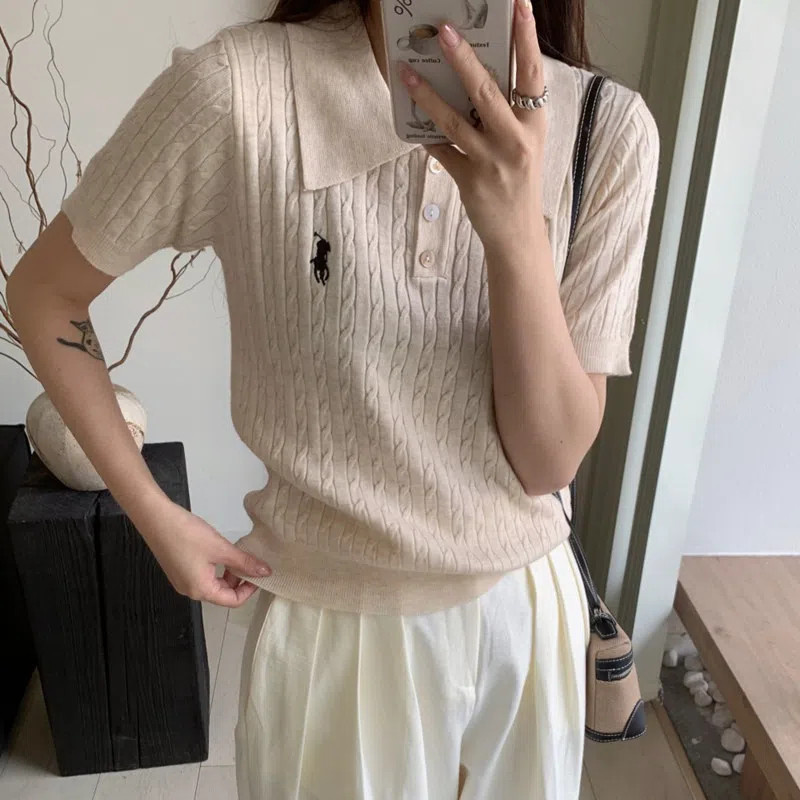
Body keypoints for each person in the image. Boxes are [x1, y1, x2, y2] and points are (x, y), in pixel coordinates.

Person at [7, 0, 659, 795]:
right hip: (336, 628)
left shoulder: (606, 128)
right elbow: (45, 293)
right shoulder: (240, 92)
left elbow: (547, 460)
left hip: (525, 618)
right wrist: (153, 514)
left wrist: (517, 228)